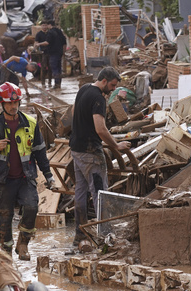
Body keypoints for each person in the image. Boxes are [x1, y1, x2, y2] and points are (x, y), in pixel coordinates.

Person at [0, 82, 55, 261]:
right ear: (1, 104)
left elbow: (40, 151)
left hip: (25, 177)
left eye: (16, 102)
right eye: (9, 103)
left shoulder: (30, 123)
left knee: (32, 207)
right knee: (4, 217)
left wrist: (48, 176)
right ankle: (7, 252)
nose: (13, 106)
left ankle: (23, 244)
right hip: (3, 180)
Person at [69, 67, 130, 246]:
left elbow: (73, 112)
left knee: (80, 191)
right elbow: (100, 128)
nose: (113, 89)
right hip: (90, 153)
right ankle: (105, 238)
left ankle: (80, 234)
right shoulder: (97, 98)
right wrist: (116, 145)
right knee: (100, 194)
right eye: (112, 85)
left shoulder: (84, 89)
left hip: (77, 150)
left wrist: (82, 128)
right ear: (104, 80)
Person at [47, 20, 66, 89]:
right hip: (59, 53)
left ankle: (56, 83)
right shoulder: (59, 31)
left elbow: (47, 42)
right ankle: (59, 83)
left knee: (54, 68)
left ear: (49, 25)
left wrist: (39, 44)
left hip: (53, 53)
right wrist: (63, 52)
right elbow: (64, 41)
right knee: (59, 68)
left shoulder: (50, 32)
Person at [34, 21, 51, 87]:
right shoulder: (39, 34)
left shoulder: (49, 33)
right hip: (43, 53)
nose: (44, 27)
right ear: (41, 26)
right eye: (43, 25)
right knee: (43, 67)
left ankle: (49, 82)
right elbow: (36, 43)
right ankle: (43, 82)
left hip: (50, 52)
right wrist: (35, 49)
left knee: (50, 68)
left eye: (45, 25)